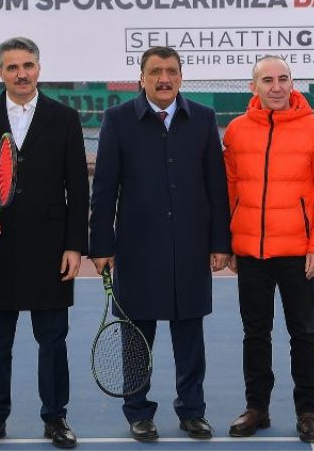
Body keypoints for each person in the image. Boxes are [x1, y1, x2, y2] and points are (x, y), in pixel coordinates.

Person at [89, 46, 231, 441]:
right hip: (136, 249)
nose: (163, 79)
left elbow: (216, 186)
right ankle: (138, 411)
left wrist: (220, 242)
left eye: (170, 71)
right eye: (155, 71)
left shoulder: (203, 118)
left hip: (190, 247)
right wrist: (101, 245)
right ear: (142, 77)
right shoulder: (118, 120)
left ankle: (192, 411)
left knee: (190, 338)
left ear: (181, 77)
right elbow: (104, 189)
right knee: (136, 338)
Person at [0, 37, 89, 450]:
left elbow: (78, 188)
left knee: (53, 339)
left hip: (50, 250)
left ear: (39, 68)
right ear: (0, 73)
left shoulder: (64, 118)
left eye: (28, 65)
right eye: (12, 67)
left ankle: (55, 418)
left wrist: (74, 245)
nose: (22, 74)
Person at [222, 56, 314, 442]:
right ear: (253, 86)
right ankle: (256, 408)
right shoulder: (236, 131)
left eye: (283, 79)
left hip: (298, 253)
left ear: (293, 83)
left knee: (303, 333)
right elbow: (229, 188)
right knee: (255, 333)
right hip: (251, 254)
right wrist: (230, 242)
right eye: (267, 80)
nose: (276, 87)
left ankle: (308, 411)